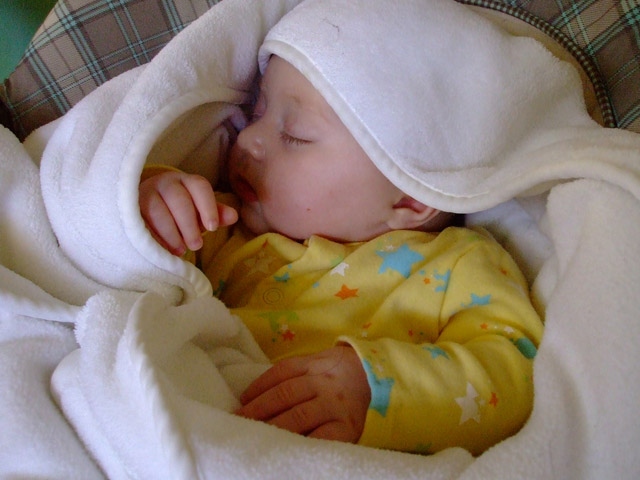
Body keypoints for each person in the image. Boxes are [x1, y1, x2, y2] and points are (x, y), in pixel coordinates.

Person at [139, 55, 543, 455]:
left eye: (295, 135)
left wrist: (377, 387)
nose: (248, 139)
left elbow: (515, 368)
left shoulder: (456, 262)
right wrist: (153, 205)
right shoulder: (223, 224)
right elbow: (139, 268)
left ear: (410, 195)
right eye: (257, 112)